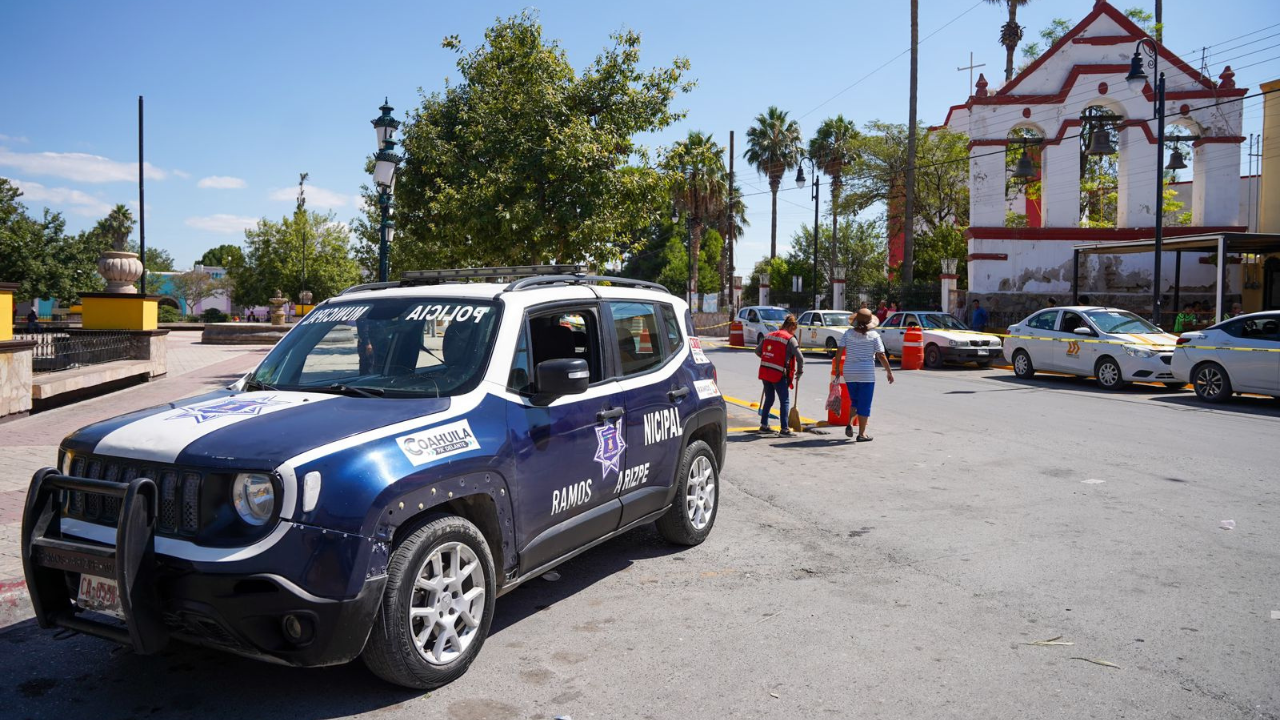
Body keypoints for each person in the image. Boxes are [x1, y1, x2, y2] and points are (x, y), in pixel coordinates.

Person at [838, 308, 895, 441]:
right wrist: (889, 372)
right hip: (866, 373)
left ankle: (849, 424)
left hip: (850, 372)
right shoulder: (874, 335)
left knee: (855, 401)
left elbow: (839, 351)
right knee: (865, 403)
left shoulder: (848, 334)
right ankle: (862, 434)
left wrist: (836, 369)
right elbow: (881, 355)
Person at [755, 314, 804, 437]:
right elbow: (800, 358)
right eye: (794, 329)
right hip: (778, 374)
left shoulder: (769, 335)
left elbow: (757, 351)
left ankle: (764, 425)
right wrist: (800, 371)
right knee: (785, 400)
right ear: (792, 326)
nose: (794, 332)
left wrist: (767, 359)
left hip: (765, 372)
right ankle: (784, 429)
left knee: (769, 399)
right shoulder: (790, 339)